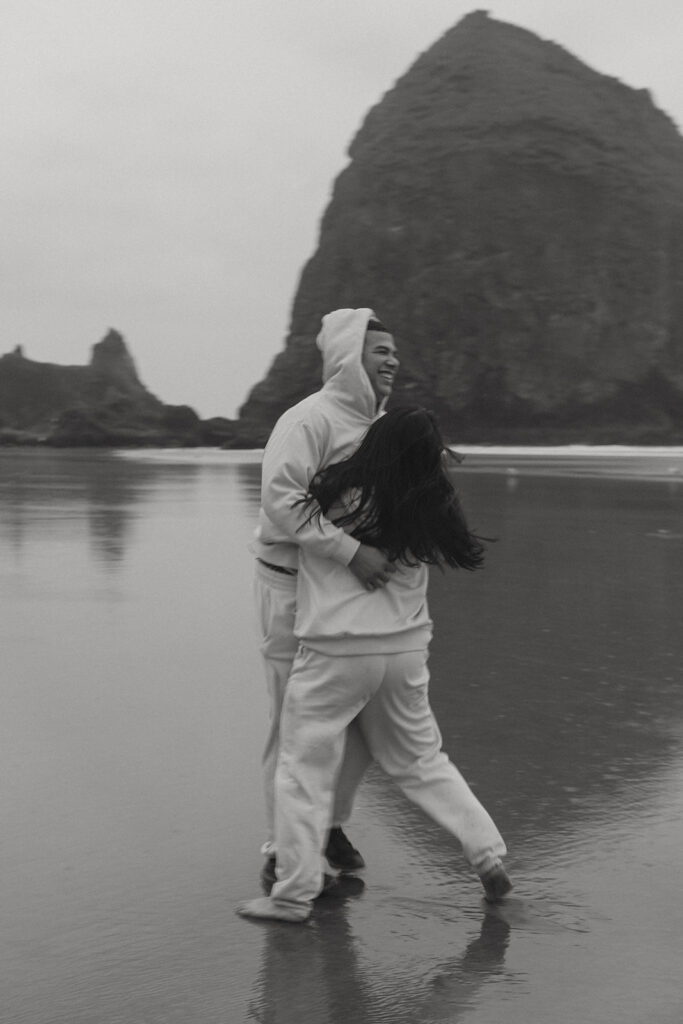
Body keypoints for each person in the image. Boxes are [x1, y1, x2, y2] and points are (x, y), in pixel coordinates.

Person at [238, 406, 512, 922]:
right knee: (423, 761)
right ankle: (487, 855)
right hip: (405, 654)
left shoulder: (336, 497)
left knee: (302, 769)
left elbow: (283, 509)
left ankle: (292, 895)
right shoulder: (432, 509)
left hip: (337, 651)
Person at [252, 307, 400, 888]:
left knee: (364, 717)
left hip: (343, 588)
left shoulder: (376, 425)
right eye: (380, 350)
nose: (393, 360)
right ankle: (282, 848)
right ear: (348, 357)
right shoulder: (307, 420)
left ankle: (329, 821)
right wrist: (351, 551)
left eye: (395, 352)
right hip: (289, 585)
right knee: (294, 723)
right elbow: (282, 500)